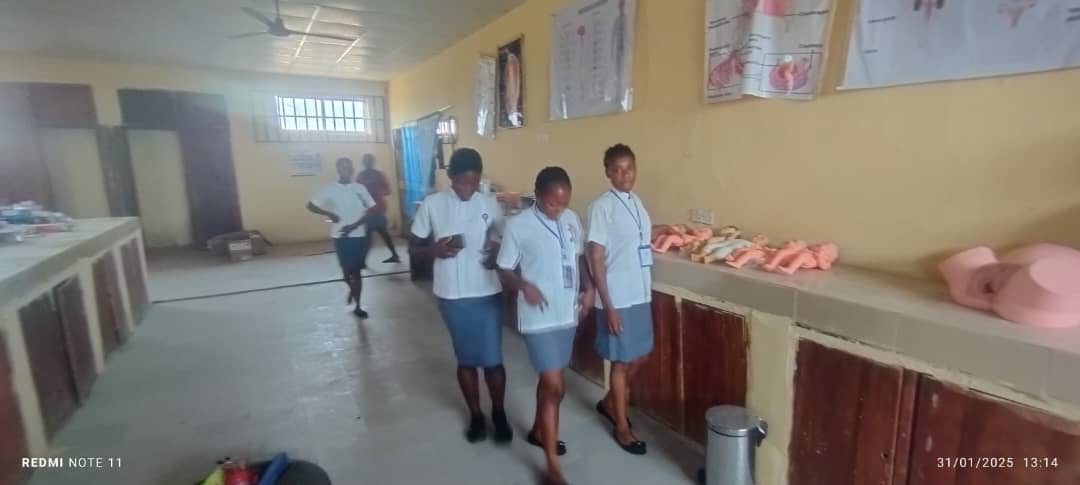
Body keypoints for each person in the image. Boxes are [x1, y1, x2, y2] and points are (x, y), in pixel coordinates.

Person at [497, 167, 594, 485]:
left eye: (564, 203)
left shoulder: (571, 220)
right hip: (538, 318)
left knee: (550, 382)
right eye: (553, 203)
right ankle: (552, 465)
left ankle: (540, 431)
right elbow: (504, 269)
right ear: (537, 196)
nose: (559, 210)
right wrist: (523, 286)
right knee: (556, 387)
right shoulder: (519, 226)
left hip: (567, 314)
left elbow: (579, 257)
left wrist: (589, 288)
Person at [409, 148, 512, 444]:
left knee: (493, 360)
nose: (469, 189)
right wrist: (434, 251)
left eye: (474, 182)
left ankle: (499, 413)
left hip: (487, 290)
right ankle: (476, 416)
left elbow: (507, 237)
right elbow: (413, 250)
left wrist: (497, 249)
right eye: (463, 182)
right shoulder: (433, 204)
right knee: (466, 360)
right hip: (453, 296)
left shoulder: (488, 202)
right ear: (451, 177)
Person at [586, 143, 652, 455]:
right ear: (608, 173)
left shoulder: (636, 201)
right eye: (617, 169)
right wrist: (608, 306)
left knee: (639, 356)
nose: (624, 174)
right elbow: (595, 256)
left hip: (640, 292)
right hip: (617, 297)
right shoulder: (602, 206)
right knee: (622, 362)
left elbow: (637, 240)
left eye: (629, 168)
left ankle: (611, 402)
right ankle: (621, 425)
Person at [307, 157, 377, 318]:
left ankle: (358, 306)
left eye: (348, 168)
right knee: (346, 274)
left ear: (352, 170)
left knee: (356, 272)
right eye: (342, 168)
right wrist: (329, 213)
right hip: (339, 235)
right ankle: (352, 290)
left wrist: (354, 225)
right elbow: (310, 205)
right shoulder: (330, 188)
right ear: (338, 170)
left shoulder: (360, 188)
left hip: (358, 235)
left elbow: (372, 209)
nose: (346, 171)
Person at [356, 153, 401, 263]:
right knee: (380, 233)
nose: (367, 163)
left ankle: (362, 261)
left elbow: (388, 190)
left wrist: (376, 193)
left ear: (372, 162)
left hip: (377, 209)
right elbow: (356, 191)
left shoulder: (376, 175)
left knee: (370, 235)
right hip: (372, 208)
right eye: (366, 161)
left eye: (369, 161)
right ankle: (394, 255)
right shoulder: (363, 175)